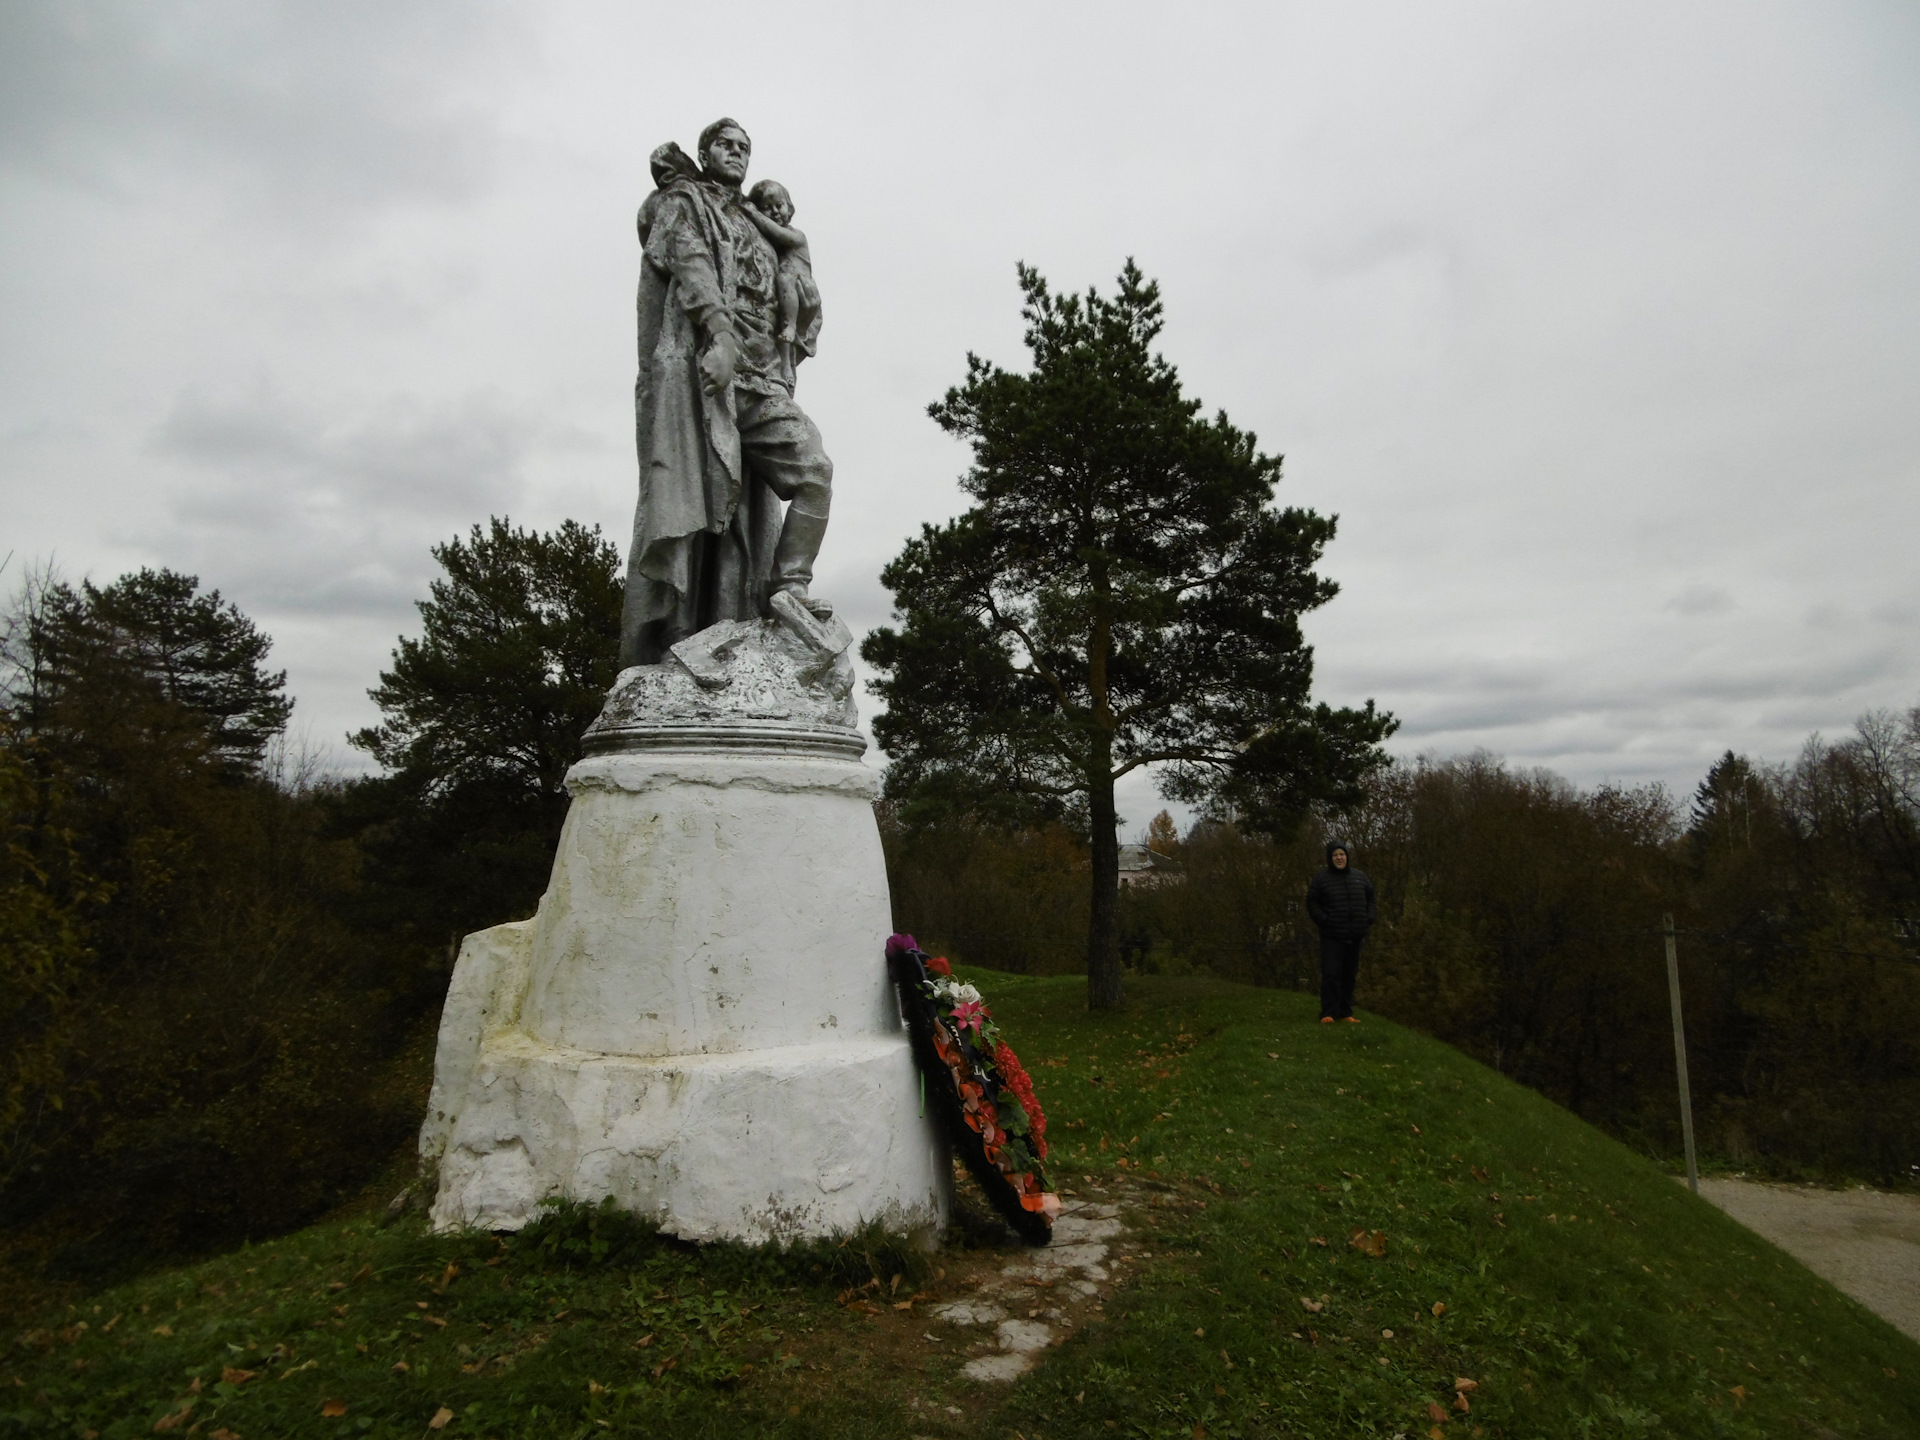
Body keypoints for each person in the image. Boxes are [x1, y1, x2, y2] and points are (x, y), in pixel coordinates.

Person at [619, 118, 836, 669]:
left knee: (814, 471)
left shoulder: (758, 222)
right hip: (706, 378)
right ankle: (681, 638)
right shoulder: (684, 200)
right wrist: (717, 333)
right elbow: (689, 263)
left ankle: (788, 588)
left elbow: (797, 291)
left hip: (762, 379)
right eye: (726, 145)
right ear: (705, 151)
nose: (737, 154)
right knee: (699, 503)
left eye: (745, 148)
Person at [741, 179, 822, 389]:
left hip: (797, 282)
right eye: (767, 208)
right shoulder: (764, 244)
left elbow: (776, 232)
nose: (775, 211)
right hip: (783, 299)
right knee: (782, 329)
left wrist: (754, 213)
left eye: (779, 205)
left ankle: (792, 328)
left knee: (785, 279)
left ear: (789, 207)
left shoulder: (795, 234)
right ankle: (785, 365)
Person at [1305, 838, 1376, 1024]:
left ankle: (1345, 1012)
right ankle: (1328, 1013)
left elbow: (1371, 898)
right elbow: (1312, 902)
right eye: (1335, 855)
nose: (1339, 858)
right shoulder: (1321, 880)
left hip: (1355, 935)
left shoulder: (1360, 877)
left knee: (1349, 976)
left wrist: (1369, 918)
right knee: (1331, 974)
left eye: (1342, 854)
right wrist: (1325, 921)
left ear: (1347, 856)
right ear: (1330, 858)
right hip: (1332, 936)